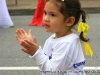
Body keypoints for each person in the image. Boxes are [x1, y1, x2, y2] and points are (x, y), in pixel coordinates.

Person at [16, 0, 93, 75]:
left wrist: (36, 52)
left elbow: (52, 72)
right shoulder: (53, 38)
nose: (45, 18)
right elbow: (45, 65)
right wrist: (32, 46)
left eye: (52, 15)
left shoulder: (66, 43)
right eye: (45, 13)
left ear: (69, 21)